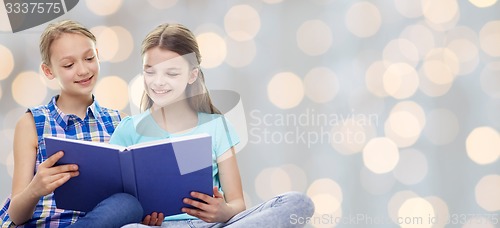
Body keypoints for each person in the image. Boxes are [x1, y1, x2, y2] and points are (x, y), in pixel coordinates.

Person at [111, 23, 314, 227]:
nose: (158, 82)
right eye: (150, 72)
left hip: (210, 225)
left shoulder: (217, 126)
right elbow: (112, 204)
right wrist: (139, 217)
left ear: (192, 75)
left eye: (171, 73)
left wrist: (224, 211)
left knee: (297, 202)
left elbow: (237, 203)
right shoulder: (128, 129)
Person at [0, 20, 143, 227]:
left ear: (98, 56)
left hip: (99, 222)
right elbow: (16, 214)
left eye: (89, 58)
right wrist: (35, 188)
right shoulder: (32, 123)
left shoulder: (119, 121)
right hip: (42, 224)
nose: (83, 70)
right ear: (49, 71)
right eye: (69, 65)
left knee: (129, 204)